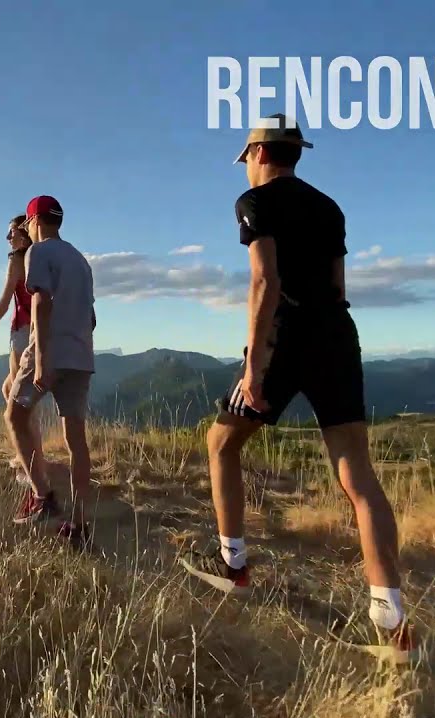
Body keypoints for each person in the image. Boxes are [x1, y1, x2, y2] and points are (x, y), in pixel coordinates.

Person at [177, 114, 416, 662]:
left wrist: (255, 368)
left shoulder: (254, 203)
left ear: (258, 154)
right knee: (357, 475)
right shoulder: (331, 207)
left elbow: (265, 280)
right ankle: (392, 621)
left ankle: (234, 565)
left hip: (286, 337)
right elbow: (337, 284)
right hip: (336, 332)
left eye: (247, 159)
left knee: (221, 444)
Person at [5, 195, 96, 546]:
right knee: (76, 440)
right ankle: (80, 523)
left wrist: (42, 359)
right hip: (81, 355)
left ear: (34, 221)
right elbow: (90, 316)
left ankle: (43, 496)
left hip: (50, 351)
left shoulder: (38, 252)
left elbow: (40, 302)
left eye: (27, 224)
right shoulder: (80, 260)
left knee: (15, 414)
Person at [0, 214, 42, 485]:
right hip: (35, 330)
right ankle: (29, 454)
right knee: (9, 390)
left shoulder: (18, 259)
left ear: (25, 233)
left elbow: (5, 300)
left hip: (22, 331)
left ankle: (30, 461)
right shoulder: (38, 257)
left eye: (12, 232)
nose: (8, 238)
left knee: (19, 400)